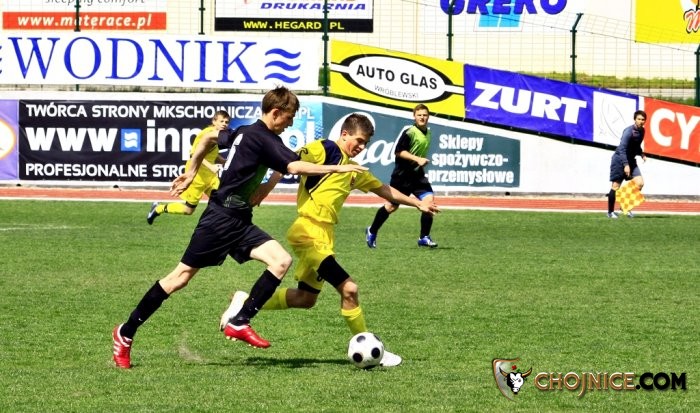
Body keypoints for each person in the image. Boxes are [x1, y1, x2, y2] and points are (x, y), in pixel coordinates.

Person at [112, 87, 367, 369]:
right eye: (289, 117)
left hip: (240, 220)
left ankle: (240, 320)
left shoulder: (245, 131)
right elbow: (295, 167)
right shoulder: (263, 138)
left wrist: (192, 171)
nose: (291, 123)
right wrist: (338, 169)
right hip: (219, 220)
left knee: (280, 261)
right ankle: (126, 332)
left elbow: (209, 136)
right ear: (276, 112)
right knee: (179, 278)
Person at [218, 113, 440, 367]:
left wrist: (417, 203)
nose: (361, 146)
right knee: (349, 288)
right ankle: (373, 350)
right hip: (308, 232)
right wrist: (267, 188)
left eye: (365, 143)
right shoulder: (325, 149)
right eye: (358, 140)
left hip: (324, 237)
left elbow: (384, 189)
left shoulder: (353, 169)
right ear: (344, 134)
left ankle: (244, 302)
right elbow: (289, 162)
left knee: (306, 299)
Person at [365, 103, 438, 248]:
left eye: (425, 115)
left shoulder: (428, 133)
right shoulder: (409, 132)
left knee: (429, 203)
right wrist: (417, 159)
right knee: (391, 207)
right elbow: (398, 152)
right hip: (402, 176)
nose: (422, 117)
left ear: (428, 117)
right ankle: (372, 231)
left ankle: (424, 237)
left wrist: (419, 163)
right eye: (419, 115)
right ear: (414, 116)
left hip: (417, 176)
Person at [147, 110, 231, 225]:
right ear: (214, 121)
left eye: (226, 122)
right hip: (197, 177)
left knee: (223, 201)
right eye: (221, 121)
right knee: (188, 210)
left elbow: (211, 155)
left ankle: (219, 227)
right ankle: (158, 209)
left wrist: (223, 161)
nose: (224, 124)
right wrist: (211, 166)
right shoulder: (206, 134)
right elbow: (194, 154)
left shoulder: (218, 135)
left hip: (211, 178)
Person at [607, 110, 647, 219]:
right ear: (635, 119)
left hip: (631, 161)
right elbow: (622, 149)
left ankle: (624, 206)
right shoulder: (629, 131)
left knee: (640, 183)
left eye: (643, 119)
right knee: (615, 186)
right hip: (619, 160)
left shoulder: (642, 131)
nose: (641, 121)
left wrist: (641, 153)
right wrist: (625, 165)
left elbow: (636, 145)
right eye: (639, 119)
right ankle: (610, 212)